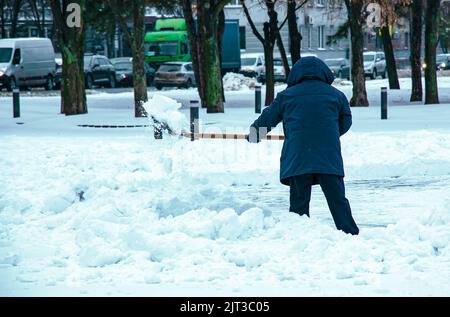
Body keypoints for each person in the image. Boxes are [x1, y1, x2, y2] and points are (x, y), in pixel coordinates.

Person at [247, 56, 359, 235]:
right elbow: (346, 121)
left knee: (299, 202)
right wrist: (328, 134)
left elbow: (269, 118)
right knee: (337, 200)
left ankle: (298, 236)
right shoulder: (336, 95)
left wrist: (254, 134)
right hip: (328, 157)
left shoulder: (287, 96)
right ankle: (349, 233)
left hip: (298, 157)